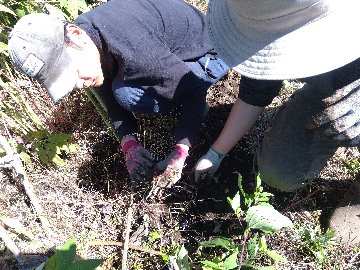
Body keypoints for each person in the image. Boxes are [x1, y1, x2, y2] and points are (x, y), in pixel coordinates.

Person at [7, 0, 228, 186]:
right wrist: (129, 144)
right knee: (119, 92)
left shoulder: (133, 47)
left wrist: (181, 150)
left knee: (127, 94)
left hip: (213, 53)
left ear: (75, 34)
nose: (78, 84)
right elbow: (108, 97)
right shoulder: (90, 37)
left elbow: (193, 89)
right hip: (166, 55)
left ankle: (195, 111)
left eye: (73, 72)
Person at [194, 0, 360, 245]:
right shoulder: (271, 15)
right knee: (279, 171)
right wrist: (216, 153)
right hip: (330, 89)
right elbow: (255, 92)